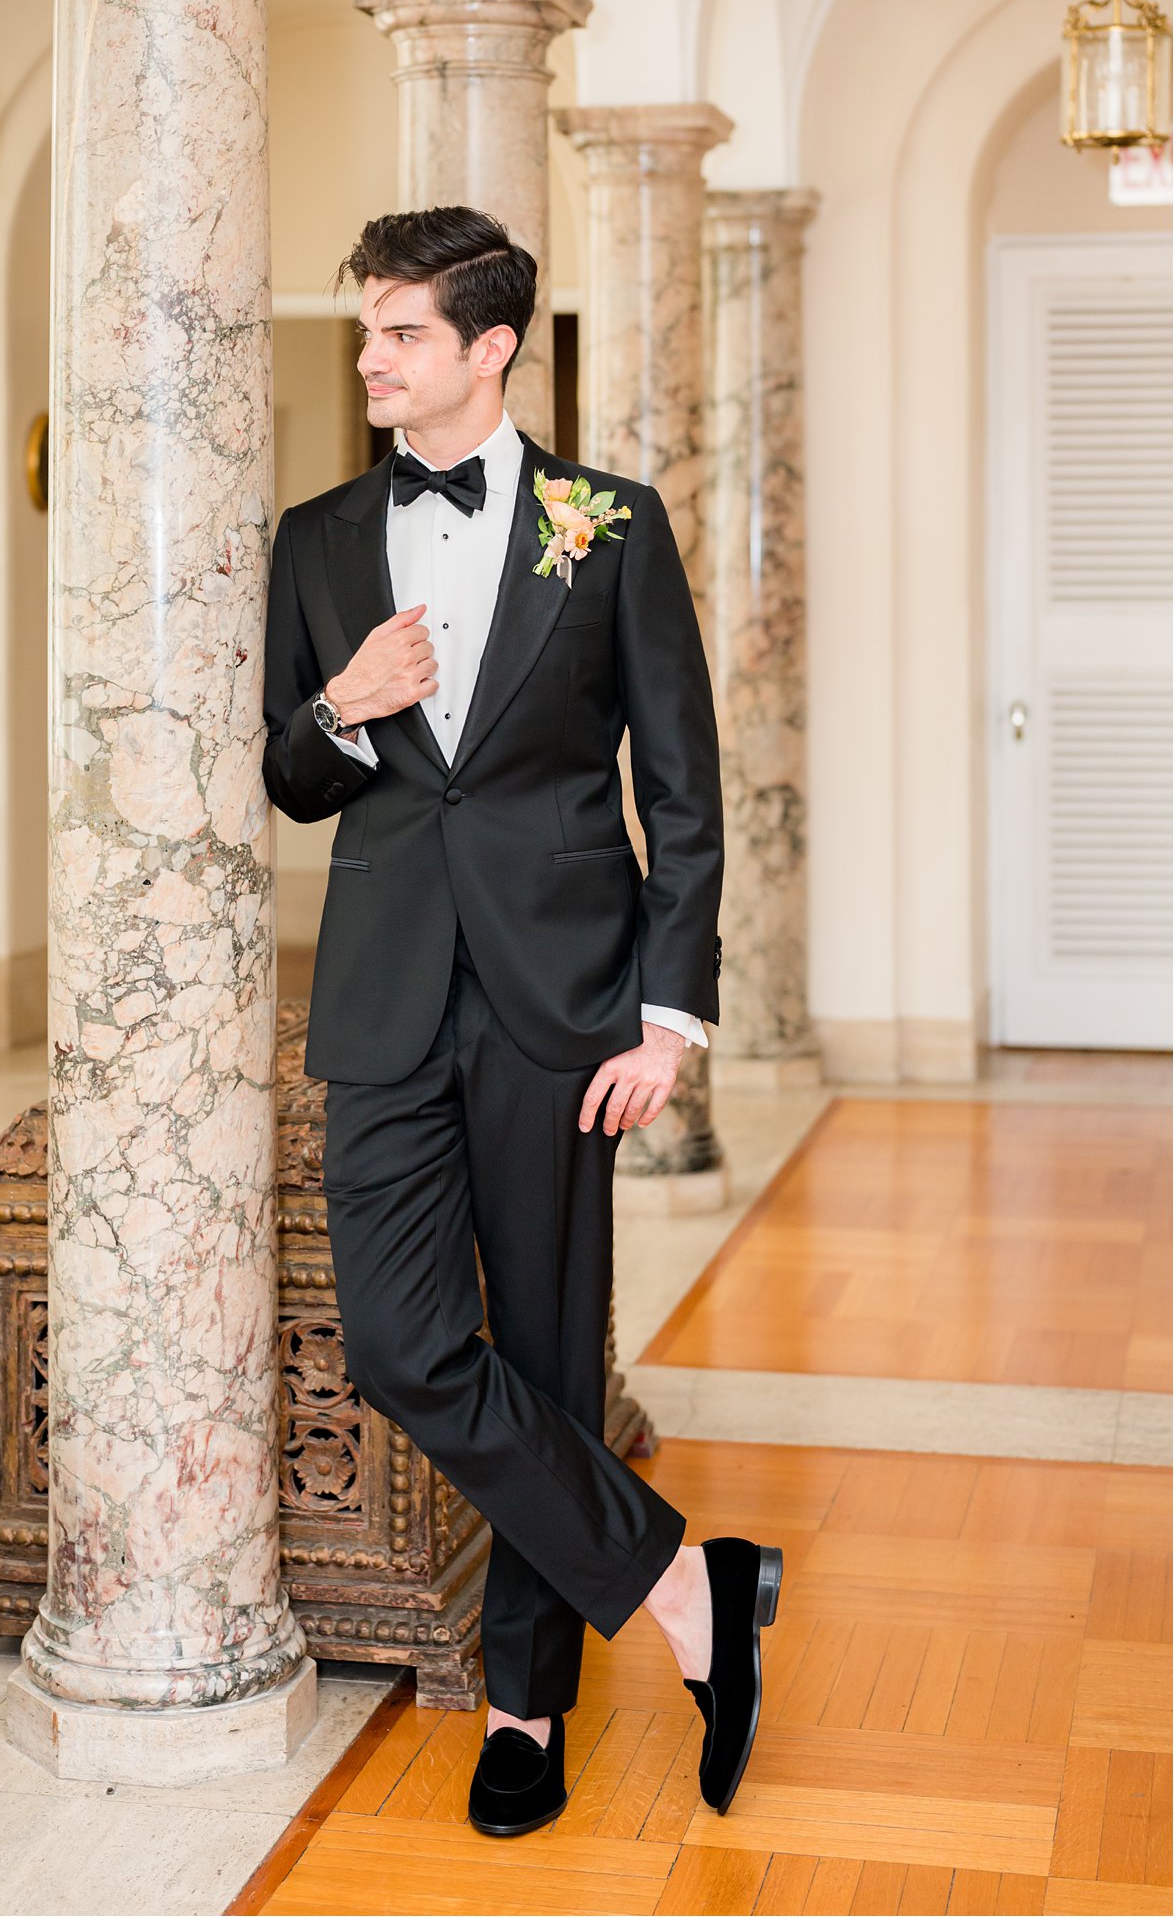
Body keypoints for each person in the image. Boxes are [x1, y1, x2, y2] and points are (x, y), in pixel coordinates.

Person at [262, 206, 781, 1835]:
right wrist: (340, 707)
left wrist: (672, 1019)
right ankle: (689, 1581)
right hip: (385, 990)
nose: (369, 357)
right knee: (402, 1341)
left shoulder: (607, 524)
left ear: (490, 347)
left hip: (568, 1002)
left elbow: (684, 790)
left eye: (399, 331)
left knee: (551, 1353)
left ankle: (525, 1711)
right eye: (367, 329)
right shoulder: (322, 535)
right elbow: (287, 776)